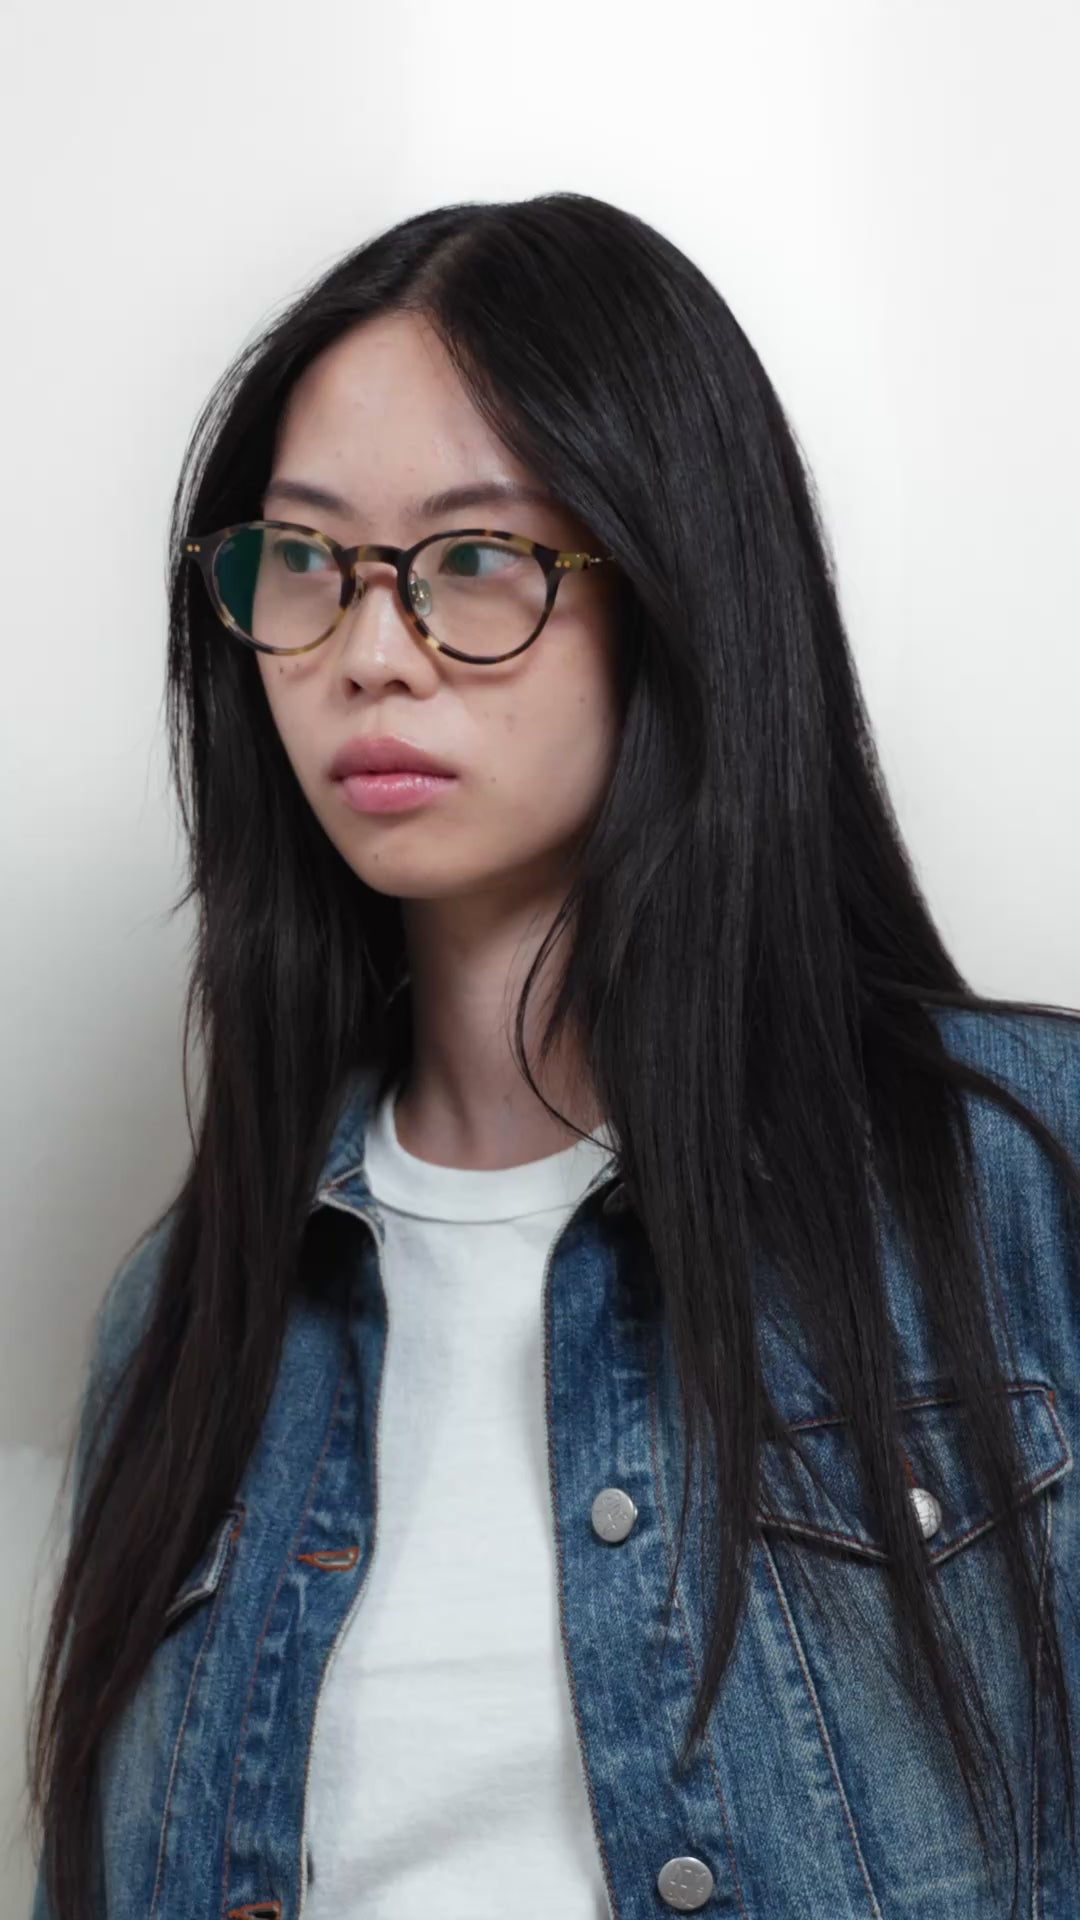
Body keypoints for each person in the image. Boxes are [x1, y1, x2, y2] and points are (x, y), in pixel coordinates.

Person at [26, 191, 1080, 1920]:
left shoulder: (1024, 1185)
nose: (371, 655)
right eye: (306, 562)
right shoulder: (181, 1322)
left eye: (473, 560)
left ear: (675, 589)